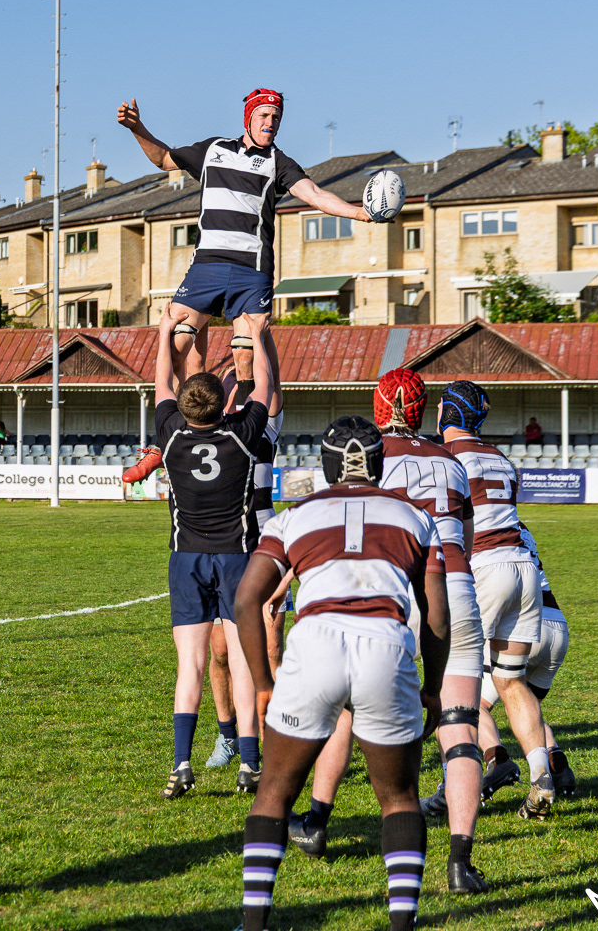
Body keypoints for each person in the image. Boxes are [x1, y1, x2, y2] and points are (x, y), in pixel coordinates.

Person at [233, 416, 450, 931]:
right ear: (379, 463)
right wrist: (435, 687)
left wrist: (265, 684)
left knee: (275, 791)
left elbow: (247, 601)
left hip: (315, 643)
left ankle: (254, 923)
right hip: (386, 645)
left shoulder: (294, 515)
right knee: (397, 797)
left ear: (325, 465)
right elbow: (438, 616)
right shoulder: (417, 517)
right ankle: (402, 923)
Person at [289, 369, 486, 894]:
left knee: (349, 706)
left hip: (396, 587)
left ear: (377, 407)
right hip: (458, 586)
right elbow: (463, 536)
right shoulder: (451, 461)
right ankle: (460, 862)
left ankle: (316, 821)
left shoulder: (372, 453)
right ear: (423, 410)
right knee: (459, 722)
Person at [118, 88, 374, 483]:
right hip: (206, 266)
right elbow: (163, 158)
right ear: (248, 118)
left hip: (251, 270)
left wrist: (359, 213)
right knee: (177, 342)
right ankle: (167, 440)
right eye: (264, 115)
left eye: (276, 117)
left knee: (244, 355)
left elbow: (316, 195)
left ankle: (239, 432)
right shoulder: (213, 150)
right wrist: (138, 128)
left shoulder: (279, 163)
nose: (271, 122)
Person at [154, 302, 273, 800]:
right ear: (225, 400)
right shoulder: (242, 436)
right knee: (243, 664)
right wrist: (260, 337)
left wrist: (165, 332)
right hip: (236, 558)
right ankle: (249, 764)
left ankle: (181, 764)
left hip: (187, 559)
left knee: (191, 667)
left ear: (182, 406)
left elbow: (161, 384)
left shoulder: (170, 435)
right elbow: (264, 389)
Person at [439, 381, 556, 820]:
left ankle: (462, 773)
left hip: (485, 566)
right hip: (524, 569)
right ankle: (541, 774)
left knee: (455, 680)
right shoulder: (501, 458)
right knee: (511, 680)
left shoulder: (446, 457)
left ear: (444, 414)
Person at [205, 348, 293, 771]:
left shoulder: (265, 428)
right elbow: (209, 393)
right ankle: (228, 736)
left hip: (266, 545)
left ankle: (273, 739)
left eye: (247, 360)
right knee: (220, 651)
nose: (243, 364)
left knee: (271, 649)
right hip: (227, 543)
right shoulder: (217, 429)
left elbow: (269, 382)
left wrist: (260, 338)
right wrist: (232, 374)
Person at [479, 521, 576, 798]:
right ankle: (559, 767)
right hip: (557, 626)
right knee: (523, 703)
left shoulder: (484, 525)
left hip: (524, 625)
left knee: (473, 705)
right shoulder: (517, 526)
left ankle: (496, 760)